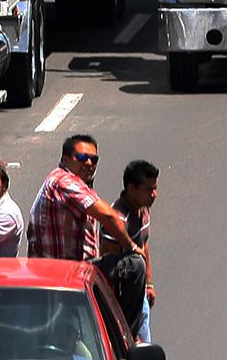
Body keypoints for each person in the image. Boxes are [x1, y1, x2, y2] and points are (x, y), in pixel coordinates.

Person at [28, 135, 145, 327]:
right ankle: (125, 337)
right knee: (134, 265)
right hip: (66, 271)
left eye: (94, 159)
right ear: (65, 159)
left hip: (71, 269)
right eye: (82, 158)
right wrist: (130, 246)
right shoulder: (64, 182)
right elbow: (109, 217)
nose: (89, 163)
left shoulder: (76, 184)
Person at [99, 160, 158, 342]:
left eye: (155, 188)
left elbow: (143, 245)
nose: (154, 194)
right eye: (149, 190)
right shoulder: (117, 221)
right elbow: (109, 262)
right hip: (122, 298)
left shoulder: (143, 210)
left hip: (140, 295)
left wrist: (149, 283)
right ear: (131, 189)